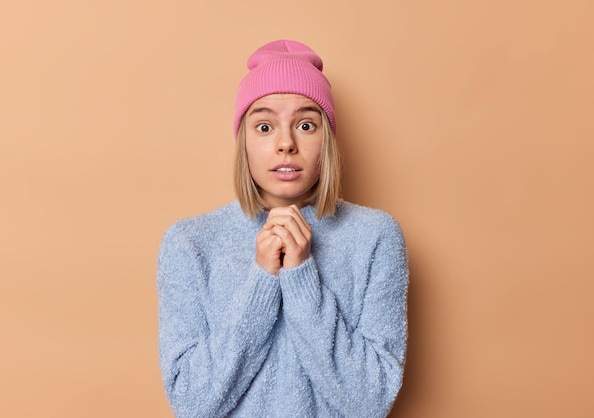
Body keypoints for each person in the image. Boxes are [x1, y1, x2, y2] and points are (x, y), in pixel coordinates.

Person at [157, 39, 409, 417]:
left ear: (327, 141)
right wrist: (262, 277)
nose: (286, 144)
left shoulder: (375, 237)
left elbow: (370, 402)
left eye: (306, 124)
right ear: (244, 141)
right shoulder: (190, 243)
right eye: (264, 126)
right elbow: (193, 404)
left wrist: (302, 275)